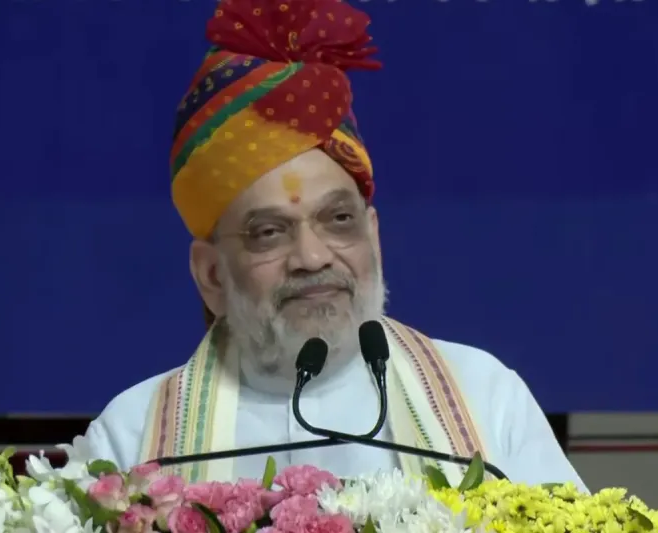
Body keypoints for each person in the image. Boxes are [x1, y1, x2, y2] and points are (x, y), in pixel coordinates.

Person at [84, 0, 586, 490]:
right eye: (269, 232)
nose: (312, 257)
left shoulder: (486, 400)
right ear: (212, 276)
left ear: (374, 238)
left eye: (339, 220)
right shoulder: (130, 445)